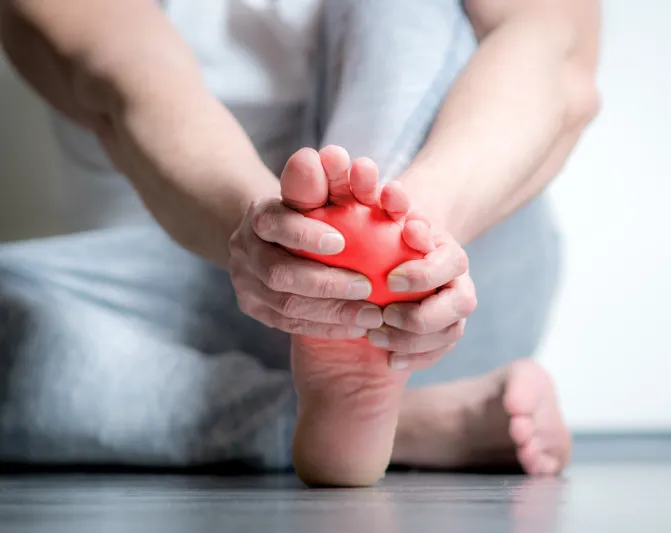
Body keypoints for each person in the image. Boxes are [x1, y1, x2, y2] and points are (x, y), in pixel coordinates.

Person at [0, 0, 599, 486]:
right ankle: (409, 423)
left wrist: (415, 233)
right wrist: (262, 232)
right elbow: (125, 81)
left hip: (442, 299)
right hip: (167, 325)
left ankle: (373, 280)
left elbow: (554, 55)